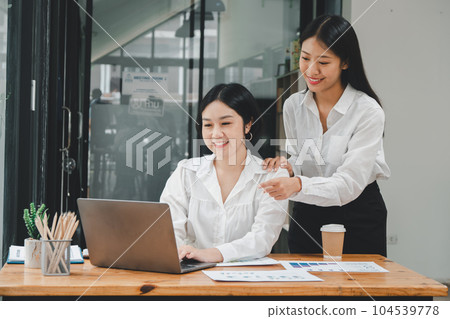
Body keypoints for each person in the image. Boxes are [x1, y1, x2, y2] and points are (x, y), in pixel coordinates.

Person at [259, 15, 391, 256]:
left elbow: (348, 184)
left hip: (358, 214)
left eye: (324, 62)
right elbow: (302, 158)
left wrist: (296, 183)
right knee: (307, 287)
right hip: (308, 211)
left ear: (345, 62)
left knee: (359, 289)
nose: (311, 70)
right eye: (306, 58)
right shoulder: (293, 106)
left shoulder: (368, 111)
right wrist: (290, 168)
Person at [160, 83, 288, 263]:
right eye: (208, 125)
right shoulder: (186, 172)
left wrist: (209, 254)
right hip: (191, 276)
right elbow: (169, 230)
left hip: (247, 281)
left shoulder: (272, 176)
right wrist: (183, 255)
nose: (216, 133)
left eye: (226, 123)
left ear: (248, 124)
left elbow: (262, 239)